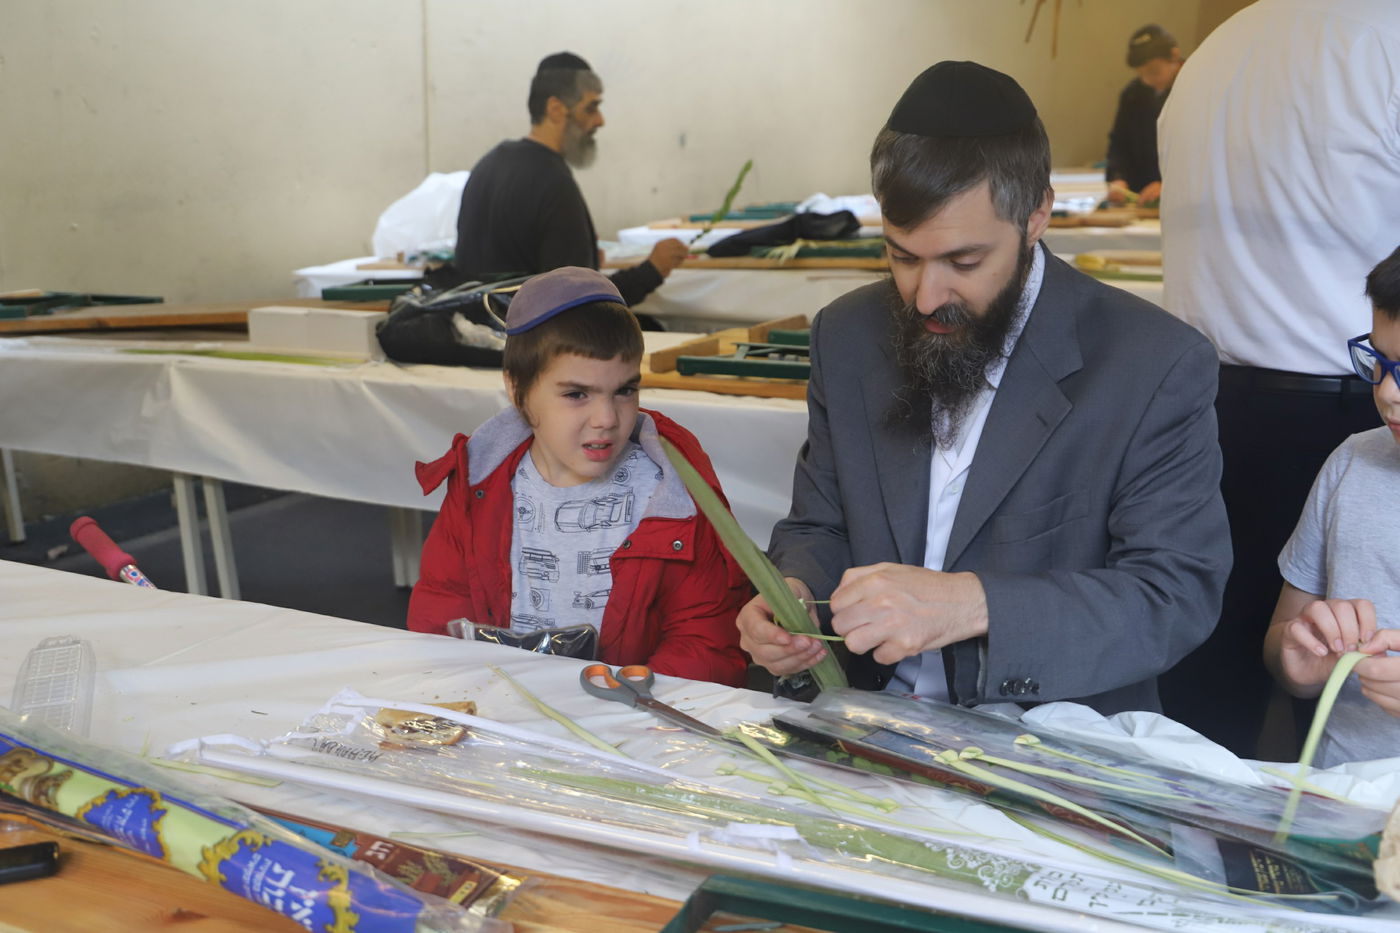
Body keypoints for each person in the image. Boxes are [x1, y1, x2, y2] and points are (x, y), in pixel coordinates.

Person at [736, 61, 1230, 715]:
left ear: (1036, 216)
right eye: (901, 256)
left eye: (964, 262)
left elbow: (1173, 595)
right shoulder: (848, 335)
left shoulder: (1153, 363)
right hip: (865, 721)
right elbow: (821, 524)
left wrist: (971, 603)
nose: (925, 296)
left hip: (1050, 741)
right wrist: (793, 589)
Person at [1156, 0, 1400, 756]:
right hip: (1351, 405)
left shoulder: (1214, 50)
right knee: (1328, 669)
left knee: (1211, 692)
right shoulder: (1387, 38)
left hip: (1211, 405)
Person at [407, 266, 749, 686]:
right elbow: (442, 607)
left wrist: (627, 703)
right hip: (505, 708)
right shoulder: (479, 485)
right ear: (517, 390)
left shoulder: (670, 497)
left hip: (631, 720)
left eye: (624, 390)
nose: (606, 419)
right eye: (576, 394)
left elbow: (706, 639)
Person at [1264, 245, 1400, 766]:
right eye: (1379, 361)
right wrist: (1295, 662)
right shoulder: (1351, 464)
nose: (1387, 392)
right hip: (1337, 801)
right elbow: (1282, 643)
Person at [451, 52, 687, 307]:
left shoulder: (489, 164)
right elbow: (576, 304)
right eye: (591, 107)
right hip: (527, 338)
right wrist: (652, 270)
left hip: (479, 332)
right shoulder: (552, 182)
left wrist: (586, 261)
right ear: (555, 109)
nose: (600, 120)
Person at [1104, 24, 1182, 206]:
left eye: (1154, 72)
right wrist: (1118, 178)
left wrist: (1169, 184)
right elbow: (1119, 142)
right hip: (1140, 195)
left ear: (1174, 56)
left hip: (1181, 197)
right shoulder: (1133, 95)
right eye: (1142, 74)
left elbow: (1201, 151)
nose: (1148, 80)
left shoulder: (1196, 88)